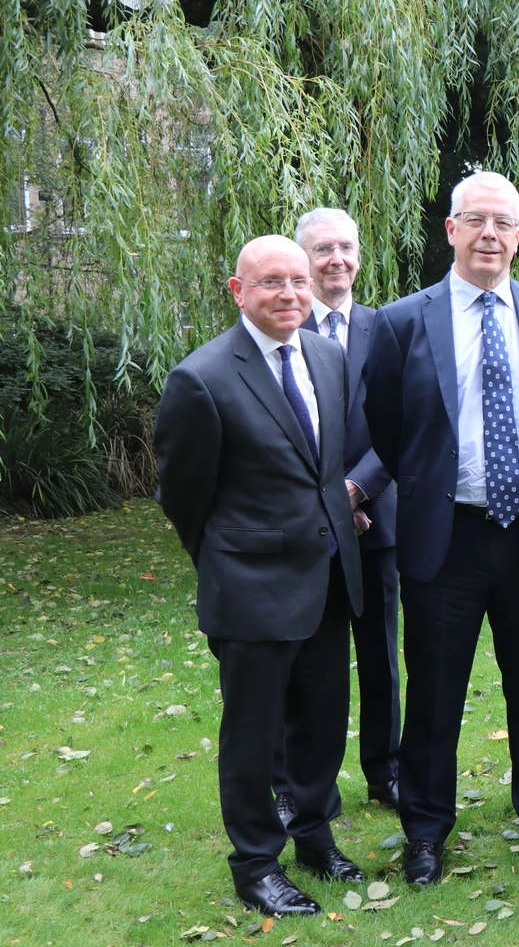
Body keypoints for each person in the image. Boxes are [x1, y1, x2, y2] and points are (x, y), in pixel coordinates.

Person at [362, 171, 519, 884]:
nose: (490, 234)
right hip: (447, 534)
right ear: (451, 230)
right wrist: (432, 483)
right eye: (476, 220)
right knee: (434, 691)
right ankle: (426, 831)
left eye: (504, 223)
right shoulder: (402, 321)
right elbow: (387, 424)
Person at [155, 235, 365, 916]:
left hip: (328, 580)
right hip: (251, 589)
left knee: (324, 723)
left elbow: (325, 469)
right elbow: (185, 496)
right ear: (237, 290)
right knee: (253, 736)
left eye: (299, 281)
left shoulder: (329, 358)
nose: (290, 294)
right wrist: (227, 561)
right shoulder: (204, 377)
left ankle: (313, 836)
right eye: (271, 282)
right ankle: (254, 864)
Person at [268, 208, 401, 819]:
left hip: (375, 520)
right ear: (304, 260)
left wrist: (355, 492)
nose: (336, 260)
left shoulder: (388, 328)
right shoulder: (279, 333)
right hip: (302, 530)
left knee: (379, 656)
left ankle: (386, 770)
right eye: (323, 250)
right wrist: (324, 504)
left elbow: (401, 424)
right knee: (300, 659)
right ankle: (298, 781)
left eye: (346, 247)